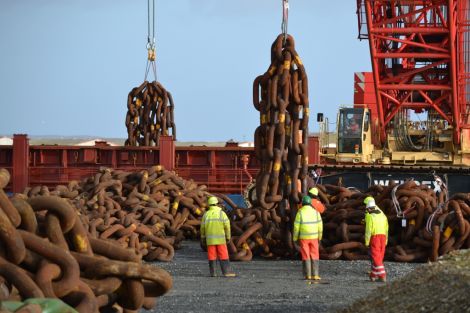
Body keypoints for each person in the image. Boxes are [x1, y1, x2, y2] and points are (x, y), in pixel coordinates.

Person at [200, 196, 236, 277]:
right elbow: (227, 226)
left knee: (212, 256)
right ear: (217, 204)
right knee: (223, 255)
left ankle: (213, 273)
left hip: (210, 240)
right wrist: (228, 237)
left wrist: (203, 238)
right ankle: (226, 272)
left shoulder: (206, 215)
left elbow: (202, 228)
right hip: (221, 240)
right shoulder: (221, 214)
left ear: (209, 205)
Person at [293, 195, 323, 280]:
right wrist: (320, 237)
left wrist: (295, 238)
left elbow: (296, 227)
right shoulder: (316, 212)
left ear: (302, 203)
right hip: (314, 237)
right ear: (310, 203)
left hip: (304, 238)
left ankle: (308, 275)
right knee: (315, 254)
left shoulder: (300, 212)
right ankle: (316, 275)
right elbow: (320, 226)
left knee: (305, 255)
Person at [364, 197, 389, 282]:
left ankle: (382, 275)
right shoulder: (382, 214)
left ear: (368, 208)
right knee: (380, 256)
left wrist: (367, 242)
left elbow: (368, 230)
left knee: (375, 256)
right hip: (383, 236)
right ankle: (373, 275)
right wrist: (386, 240)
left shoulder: (369, 216)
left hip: (375, 237)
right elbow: (386, 227)